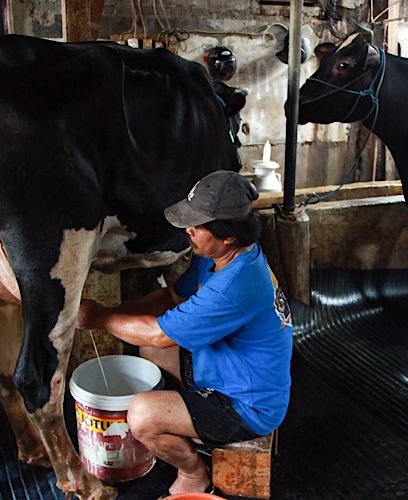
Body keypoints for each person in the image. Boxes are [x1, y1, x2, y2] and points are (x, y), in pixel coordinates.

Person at [76, 170, 293, 496]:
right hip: (227, 372)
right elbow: (170, 298)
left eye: (197, 226)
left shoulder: (234, 286)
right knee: (152, 351)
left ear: (227, 236)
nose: (188, 230)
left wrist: (99, 316)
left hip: (248, 406)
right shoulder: (219, 258)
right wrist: (117, 312)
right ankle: (187, 423)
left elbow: (159, 334)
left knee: (141, 414)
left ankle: (193, 472)